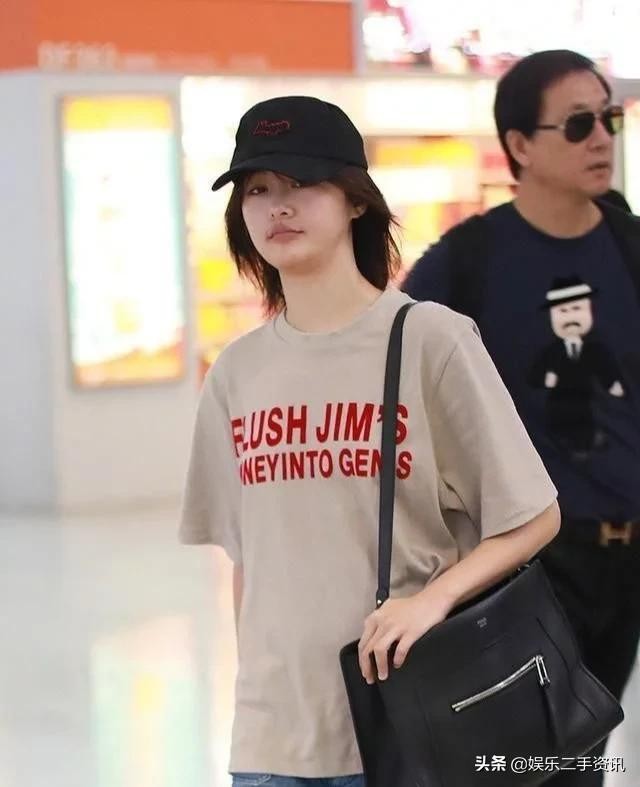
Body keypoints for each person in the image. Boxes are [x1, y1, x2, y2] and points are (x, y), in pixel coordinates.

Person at [179, 95, 560, 787]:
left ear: (355, 199)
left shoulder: (429, 340)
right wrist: (256, 704)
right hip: (271, 744)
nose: (277, 206)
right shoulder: (236, 372)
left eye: (300, 182)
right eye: (256, 190)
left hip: (406, 724)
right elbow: (248, 561)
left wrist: (433, 599)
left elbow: (535, 515)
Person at [403, 50, 640, 786]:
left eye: (607, 119)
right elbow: (397, 375)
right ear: (519, 146)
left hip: (627, 554)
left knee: (587, 745)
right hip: (528, 558)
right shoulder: (467, 262)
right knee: (542, 760)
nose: (600, 138)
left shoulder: (631, 246)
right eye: (577, 124)